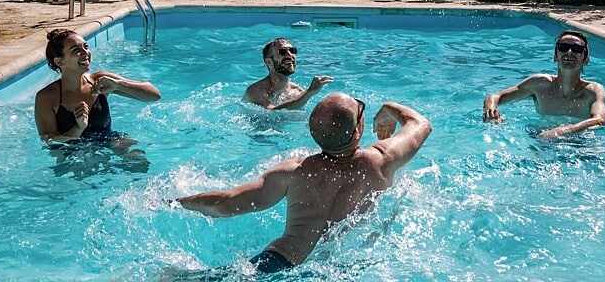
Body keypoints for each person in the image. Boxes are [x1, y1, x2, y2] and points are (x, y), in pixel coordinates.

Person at [176, 92, 431, 272]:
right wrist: (387, 108)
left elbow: (225, 204)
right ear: (356, 132)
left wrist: (175, 203)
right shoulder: (382, 161)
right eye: (360, 108)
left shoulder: (295, 172)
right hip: (341, 269)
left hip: (278, 265)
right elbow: (420, 124)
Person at [34, 28, 160, 148]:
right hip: (71, 151)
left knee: (139, 163)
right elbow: (48, 140)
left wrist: (118, 85)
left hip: (108, 140)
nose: (85, 53)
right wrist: (78, 128)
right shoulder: (47, 97)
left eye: (86, 46)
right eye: (75, 50)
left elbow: (154, 95)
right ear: (59, 61)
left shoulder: (100, 81)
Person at [482, 30, 605, 138]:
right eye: (563, 47)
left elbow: (599, 120)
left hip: (580, 141)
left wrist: (562, 131)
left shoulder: (593, 90)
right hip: (542, 138)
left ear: (586, 59)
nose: (569, 52)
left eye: (577, 49)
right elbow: (495, 97)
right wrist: (491, 111)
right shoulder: (539, 84)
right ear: (555, 56)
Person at [244, 37, 334, 110]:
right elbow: (272, 111)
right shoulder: (256, 91)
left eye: (292, 50)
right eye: (282, 52)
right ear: (269, 62)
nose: (289, 55)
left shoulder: (297, 92)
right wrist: (309, 93)